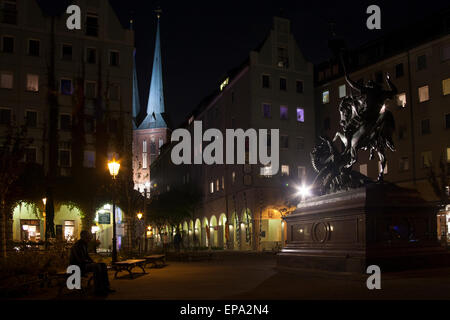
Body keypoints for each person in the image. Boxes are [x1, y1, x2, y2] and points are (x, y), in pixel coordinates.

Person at [69, 230, 114, 296]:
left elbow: (87, 257)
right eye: (88, 236)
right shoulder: (77, 245)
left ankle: (106, 287)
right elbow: (80, 260)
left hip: (83, 264)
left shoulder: (84, 244)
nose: (90, 238)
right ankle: (98, 289)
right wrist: (91, 263)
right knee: (96, 267)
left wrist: (92, 262)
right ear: (83, 236)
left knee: (103, 265)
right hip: (77, 266)